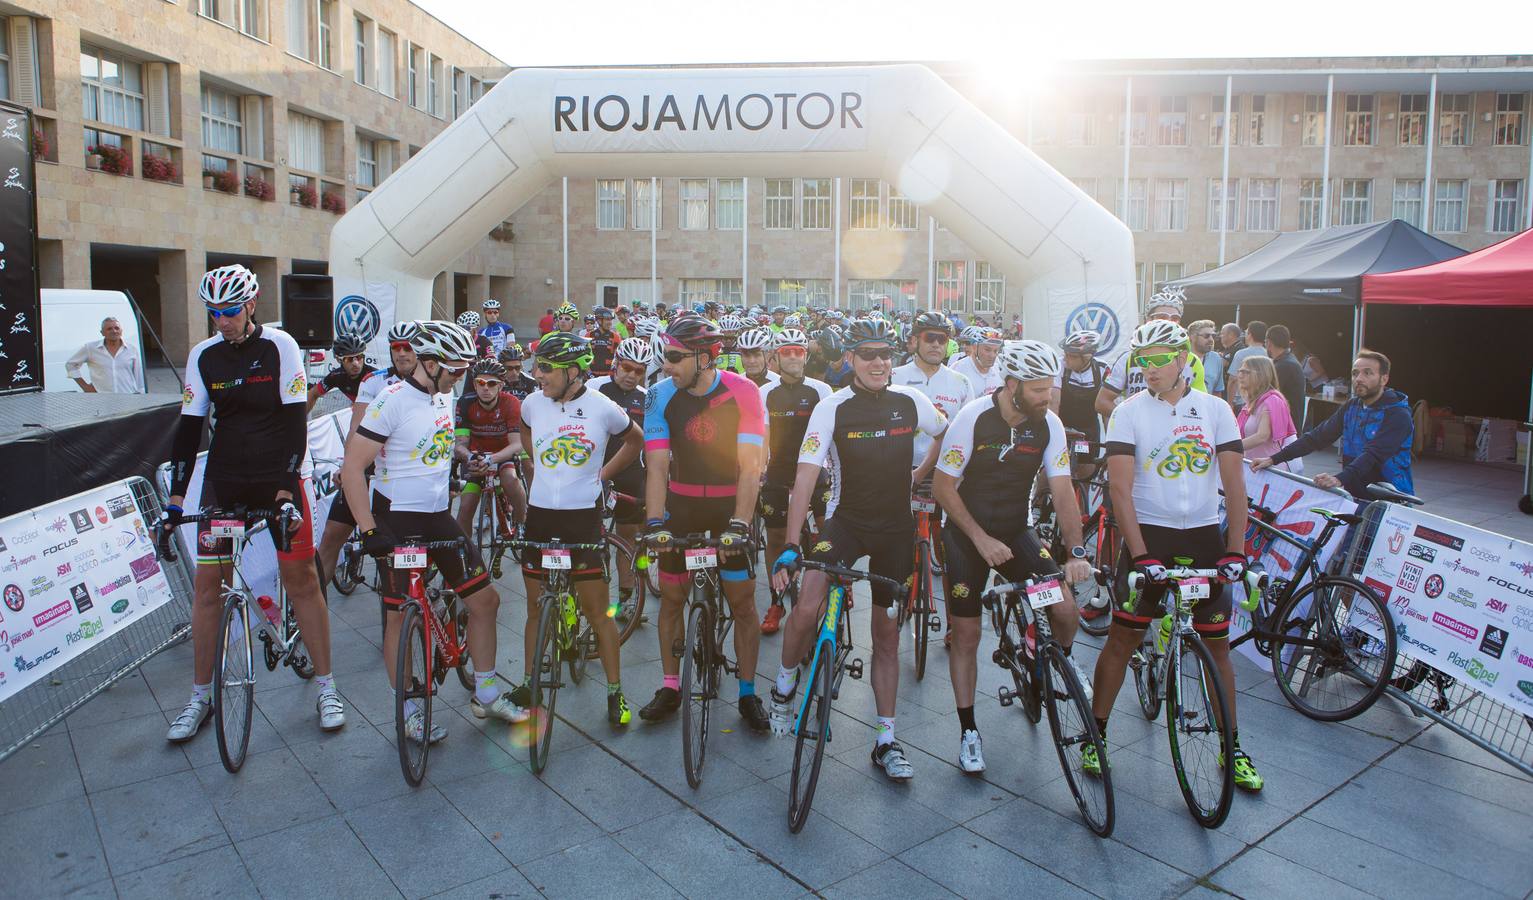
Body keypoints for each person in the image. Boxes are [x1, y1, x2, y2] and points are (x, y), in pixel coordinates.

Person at [161, 264, 344, 741]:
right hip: (225, 481)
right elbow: (187, 433)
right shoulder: (203, 356)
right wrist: (176, 499)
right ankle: (201, 696)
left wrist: (286, 489)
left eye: (229, 311)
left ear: (251, 304)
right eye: (213, 312)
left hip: (278, 476)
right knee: (207, 589)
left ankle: (327, 686)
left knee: (301, 579)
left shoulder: (281, 347)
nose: (221, 320)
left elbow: (294, 425)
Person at [1084, 319, 1262, 792]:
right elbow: (1120, 491)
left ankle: (1233, 745)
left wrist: (1235, 551)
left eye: (1160, 358)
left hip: (1203, 536)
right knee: (1122, 639)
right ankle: (1094, 734)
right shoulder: (1128, 412)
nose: (1149, 368)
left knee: (1218, 646)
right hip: (1151, 539)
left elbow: (1236, 488)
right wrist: (1139, 555)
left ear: (1184, 359)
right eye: (1142, 360)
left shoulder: (1216, 410)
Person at [767, 318, 947, 781]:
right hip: (844, 524)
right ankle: (784, 686)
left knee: (887, 638)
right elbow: (805, 476)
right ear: (850, 360)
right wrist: (790, 544)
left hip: (895, 530)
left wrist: (919, 472)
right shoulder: (832, 407)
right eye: (867, 354)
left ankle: (886, 740)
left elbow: (944, 432)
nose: (879, 362)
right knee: (806, 605)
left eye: (885, 353)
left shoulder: (912, 401)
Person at [342, 320, 528, 744]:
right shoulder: (391, 401)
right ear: (429, 363)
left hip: (435, 515)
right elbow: (352, 470)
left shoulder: (443, 397)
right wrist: (370, 532)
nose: (460, 378)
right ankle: (407, 707)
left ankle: (486, 691)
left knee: (485, 600)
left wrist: (466, 468)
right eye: (456, 370)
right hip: (395, 519)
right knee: (397, 616)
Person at [933, 340, 1093, 772]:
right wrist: (981, 540)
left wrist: (1076, 551)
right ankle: (968, 731)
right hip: (968, 536)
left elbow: (1062, 490)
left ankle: (1035, 653)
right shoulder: (973, 418)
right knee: (965, 637)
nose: (1048, 396)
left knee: (1064, 610)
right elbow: (943, 487)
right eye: (1039, 388)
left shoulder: (1049, 425)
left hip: (1016, 533)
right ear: (1012, 384)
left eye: (1050, 386)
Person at [640, 314, 770, 731]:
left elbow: (751, 468)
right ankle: (671, 685)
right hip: (682, 510)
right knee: (674, 599)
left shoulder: (744, 391)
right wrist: (656, 522)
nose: (666, 365)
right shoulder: (659, 394)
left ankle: (748, 691)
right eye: (665, 356)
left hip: (729, 508)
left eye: (675, 358)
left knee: (743, 604)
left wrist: (740, 524)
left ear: (706, 356)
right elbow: (657, 467)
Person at [508, 332, 643, 726]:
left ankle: (615, 692)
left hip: (582, 517)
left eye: (546, 368)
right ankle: (529, 679)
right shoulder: (533, 402)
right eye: (537, 367)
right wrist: (535, 462)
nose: (538, 375)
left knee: (597, 612)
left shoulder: (602, 407)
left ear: (572, 371)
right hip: (540, 516)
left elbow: (634, 441)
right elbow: (524, 426)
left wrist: (603, 473)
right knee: (535, 609)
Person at [314, 323, 419, 588]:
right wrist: (349, 466)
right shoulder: (374, 380)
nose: (402, 353)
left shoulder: (431, 382)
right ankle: (304, 616)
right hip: (370, 467)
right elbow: (356, 427)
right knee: (330, 538)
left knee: (407, 549)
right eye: (397, 347)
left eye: (408, 347)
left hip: (407, 475)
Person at [1251, 350, 1413, 496]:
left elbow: (1374, 454)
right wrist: (1273, 459)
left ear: (1384, 379)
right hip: (1355, 495)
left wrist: (1338, 479)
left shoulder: (1397, 414)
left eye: (1367, 373)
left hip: (1390, 500)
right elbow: (1317, 437)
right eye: (1355, 373)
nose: (1359, 378)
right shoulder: (1352, 406)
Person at [758, 327, 832, 635]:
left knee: (825, 538)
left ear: (806, 355)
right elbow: (762, 438)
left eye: (798, 351)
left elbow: (833, 436)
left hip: (816, 475)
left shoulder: (821, 390)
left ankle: (833, 584)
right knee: (775, 541)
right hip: (777, 475)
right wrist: (757, 470)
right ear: (775, 356)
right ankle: (776, 601)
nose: (792, 357)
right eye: (786, 352)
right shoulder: (765, 392)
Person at [588, 337, 652, 608]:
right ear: (615, 364)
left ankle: (627, 596)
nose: (631, 375)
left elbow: (650, 442)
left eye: (639, 371)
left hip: (630, 474)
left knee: (628, 536)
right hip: (593, 472)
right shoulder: (595, 387)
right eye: (627, 367)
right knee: (589, 537)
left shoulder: (646, 397)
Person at [1096, 289, 1204, 420]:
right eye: (1162, 316)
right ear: (1148, 319)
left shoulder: (1192, 361)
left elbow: (1200, 405)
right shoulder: (1128, 358)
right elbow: (1102, 403)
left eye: (1175, 318)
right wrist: (1134, 421)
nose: (1169, 321)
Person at [452, 358, 529, 540]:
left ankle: (521, 521)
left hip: (502, 455)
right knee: (465, 506)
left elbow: (517, 444)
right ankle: (468, 556)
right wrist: (471, 457)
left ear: (501, 385)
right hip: (476, 459)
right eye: (481, 383)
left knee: (510, 480)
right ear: (474, 384)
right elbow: (460, 445)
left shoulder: (511, 403)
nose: (485, 388)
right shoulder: (465, 402)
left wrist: (492, 459)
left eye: (491, 383)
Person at [1235, 356, 1298, 470]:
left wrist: (1229, 447)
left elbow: (1262, 436)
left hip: (1271, 470)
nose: (1240, 375)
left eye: (1245, 372)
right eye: (1239, 371)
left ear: (1261, 375)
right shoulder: (1252, 402)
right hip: (1254, 468)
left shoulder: (1272, 400)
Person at [1050, 330, 1106, 444]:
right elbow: (1053, 403)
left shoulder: (1102, 369)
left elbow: (1106, 409)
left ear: (1086, 357)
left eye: (1071, 356)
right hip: (1063, 425)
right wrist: (1054, 435)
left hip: (1090, 428)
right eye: (1065, 353)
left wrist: (1111, 442)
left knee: (1089, 462)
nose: (1065, 358)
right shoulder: (1060, 365)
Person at [67, 316, 146, 393]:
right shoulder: (90, 348)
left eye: (116, 328)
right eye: (109, 329)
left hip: (128, 396)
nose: (114, 331)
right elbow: (70, 365)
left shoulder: (132, 349)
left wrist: (141, 394)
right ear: (102, 333)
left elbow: (138, 375)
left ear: (121, 331)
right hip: (102, 398)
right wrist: (85, 387)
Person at [306, 333, 376, 413]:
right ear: (338, 360)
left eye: (359, 357)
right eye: (349, 359)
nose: (355, 363)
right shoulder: (336, 376)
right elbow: (313, 394)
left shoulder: (374, 376)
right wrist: (299, 421)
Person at [1263, 325, 1306, 427]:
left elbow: (1264, 394)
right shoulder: (1288, 361)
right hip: (1288, 426)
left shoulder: (1284, 365)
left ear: (1268, 343)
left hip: (1285, 429)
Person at [1227, 321, 1268, 412]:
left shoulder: (1241, 354)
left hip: (1242, 402)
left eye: (1246, 333)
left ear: (1250, 334)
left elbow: (1233, 380)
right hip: (1263, 401)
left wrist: (1229, 403)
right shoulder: (1269, 354)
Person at [951, 328, 1003, 393]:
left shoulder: (998, 369)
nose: (992, 355)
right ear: (974, 347)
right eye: (987, 350)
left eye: (995, 351)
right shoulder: (958, 369)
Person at [1188, 319, 1225, 399]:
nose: (1211, 340)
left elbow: (1217, 391)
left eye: (1213, 336)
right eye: (1206, 336)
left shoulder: (1216, 358)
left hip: (1206, 408)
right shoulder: (1181, 357)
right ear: (1192, 337)